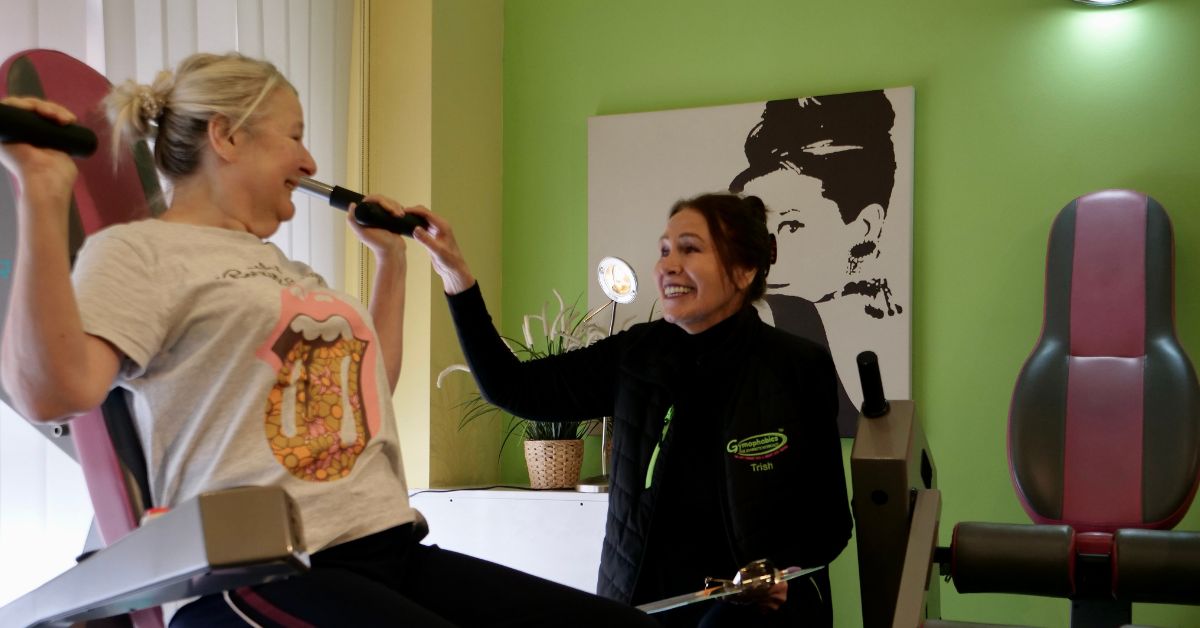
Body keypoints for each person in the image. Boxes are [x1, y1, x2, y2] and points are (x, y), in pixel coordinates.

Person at [0, 52, 657, 628]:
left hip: (386, 549)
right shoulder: (142, 251)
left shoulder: (291, 272)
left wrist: (390, 263)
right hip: (261, 572)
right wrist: (41, 194)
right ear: (226, 135)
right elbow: (55, 391)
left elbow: (368, 393)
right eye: (294, 135)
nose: (310, 161)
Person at [410, 192, 852, 627]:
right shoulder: (637, 355)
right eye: (664, 250)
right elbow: (511, 387)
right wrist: (455, 274)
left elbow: (829, 524)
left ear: (744, 270)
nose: (667, 266)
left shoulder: (797, 366)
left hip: (755, 616)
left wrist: (780, 578)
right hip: (640, 613)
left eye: (690, 249)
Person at [729, 91, 901, 437]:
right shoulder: (775, 325)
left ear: (865, 226)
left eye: (793, 225)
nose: (768, 252)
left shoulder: (870, 342)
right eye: (758, 230)